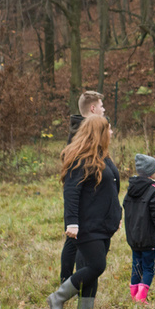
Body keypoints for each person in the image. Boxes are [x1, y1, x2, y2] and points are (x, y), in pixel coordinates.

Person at [48, 116, 121, 309]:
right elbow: (71, 192)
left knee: (91, 270)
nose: (112, 133)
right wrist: (72, 222)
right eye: (108, 129)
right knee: (97, 266)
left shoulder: (102, 156)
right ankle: (57, 297)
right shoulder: (80, 159)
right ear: (98, 132)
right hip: (87, 225)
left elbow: (111, 189)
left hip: (104, 224)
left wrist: (116, 215)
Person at [60, 90, 106, 287]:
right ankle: (68, 282)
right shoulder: (81, 133)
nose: (104, 110)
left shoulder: (87, 129)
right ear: (93, 108)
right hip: (83, 199)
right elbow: (73, 180)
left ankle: (73, 281)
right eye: (102, 107)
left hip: (91, 201)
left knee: (75, 242)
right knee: (74, 241)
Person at [123, 154, 155, 304]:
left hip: (134, 237)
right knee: (149, 268)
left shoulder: (131, 189)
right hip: (149, 238)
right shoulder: (154, 190)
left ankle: (134, 296)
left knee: (136, 266)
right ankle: (141, 298)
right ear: (151, 172)